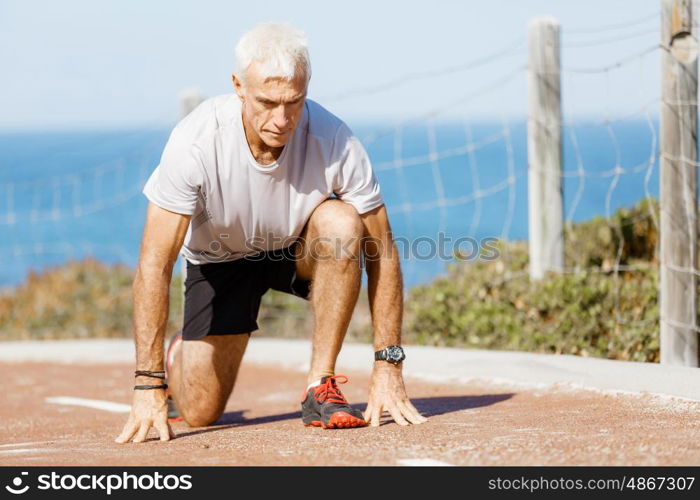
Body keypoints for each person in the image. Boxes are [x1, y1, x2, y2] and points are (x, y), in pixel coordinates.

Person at [116, 22, 427, 443]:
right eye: (267, 102)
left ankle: (321, 385)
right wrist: (148, 383)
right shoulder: (196, 142)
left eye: (293, 102)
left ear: (306, 89)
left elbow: (383, 252)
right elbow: (154, 264)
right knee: (201, 412)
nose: (281, 119)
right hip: (219, 260)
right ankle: (179, 355)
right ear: (238, 86)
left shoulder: (335, 139)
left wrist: (388, 365)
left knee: (342, 224)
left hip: (292, 248)